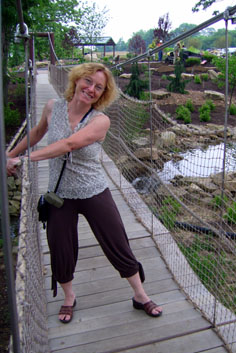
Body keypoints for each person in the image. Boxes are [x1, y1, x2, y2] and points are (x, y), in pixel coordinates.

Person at [6, 62, 162, 323]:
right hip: (59, 193)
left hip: (93, 190)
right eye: (87, 81)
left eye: (98, 87)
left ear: (103, 94)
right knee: (61, 247)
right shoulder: (52, 107)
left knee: (117, 242)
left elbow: (69, 144)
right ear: (77, 80)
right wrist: (8, 155)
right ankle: (69, 297)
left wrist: (24, 160)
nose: (91, 89)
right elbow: (36, 133)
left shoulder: (101, 121)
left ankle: (140, 295)